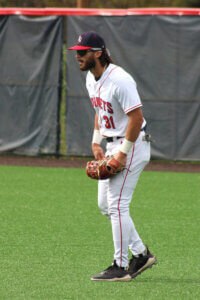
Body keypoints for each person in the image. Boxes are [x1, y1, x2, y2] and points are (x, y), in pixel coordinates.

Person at [68, 31, 157, 282]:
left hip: (133, 144)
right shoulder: (90, 78)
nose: (78, 56)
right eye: (76, 52)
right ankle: (140, 254)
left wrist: (122, 154)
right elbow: (99, 110)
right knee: (106, 206)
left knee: (118, 204)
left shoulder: (120, 80)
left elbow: (136, 117)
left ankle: (120, 266)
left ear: (98, 53)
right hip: (111, 144)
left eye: (82, 52)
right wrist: (96, 142)